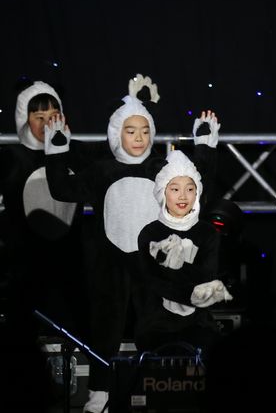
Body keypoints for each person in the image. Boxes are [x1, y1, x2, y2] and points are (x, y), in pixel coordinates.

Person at [43, 75, 220, 413]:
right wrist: (56, 152)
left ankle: (156, 387)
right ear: (116, 134)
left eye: (144, 130)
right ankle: (100, 390)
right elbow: (62, 189)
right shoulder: (102, 171)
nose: (138, 138)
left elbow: (198, 187)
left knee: (156, 326)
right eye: (130, 130)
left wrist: (205, 148)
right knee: (105, 328)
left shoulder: (159, 169)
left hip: (150, 263)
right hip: (109, 262)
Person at [0, 80, 105, 333]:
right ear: (24, 119)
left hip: (70, 255)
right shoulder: (11, 157)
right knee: (21, 322)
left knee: (83, 318)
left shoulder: (75, 152)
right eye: (39, 117)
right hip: (25, 258)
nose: (47, 123)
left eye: (53, 116)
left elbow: (116, 152)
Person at [135, 149, 231, 353]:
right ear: (163, 192)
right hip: (156, 326)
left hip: (199, 325)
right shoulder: (150, 232)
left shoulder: (207, 233)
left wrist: (176, 267)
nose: (183, 196)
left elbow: (207, 279)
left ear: (197, 192)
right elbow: (151, 282)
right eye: (175, 189)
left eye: (189, 189)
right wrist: (191, 284)